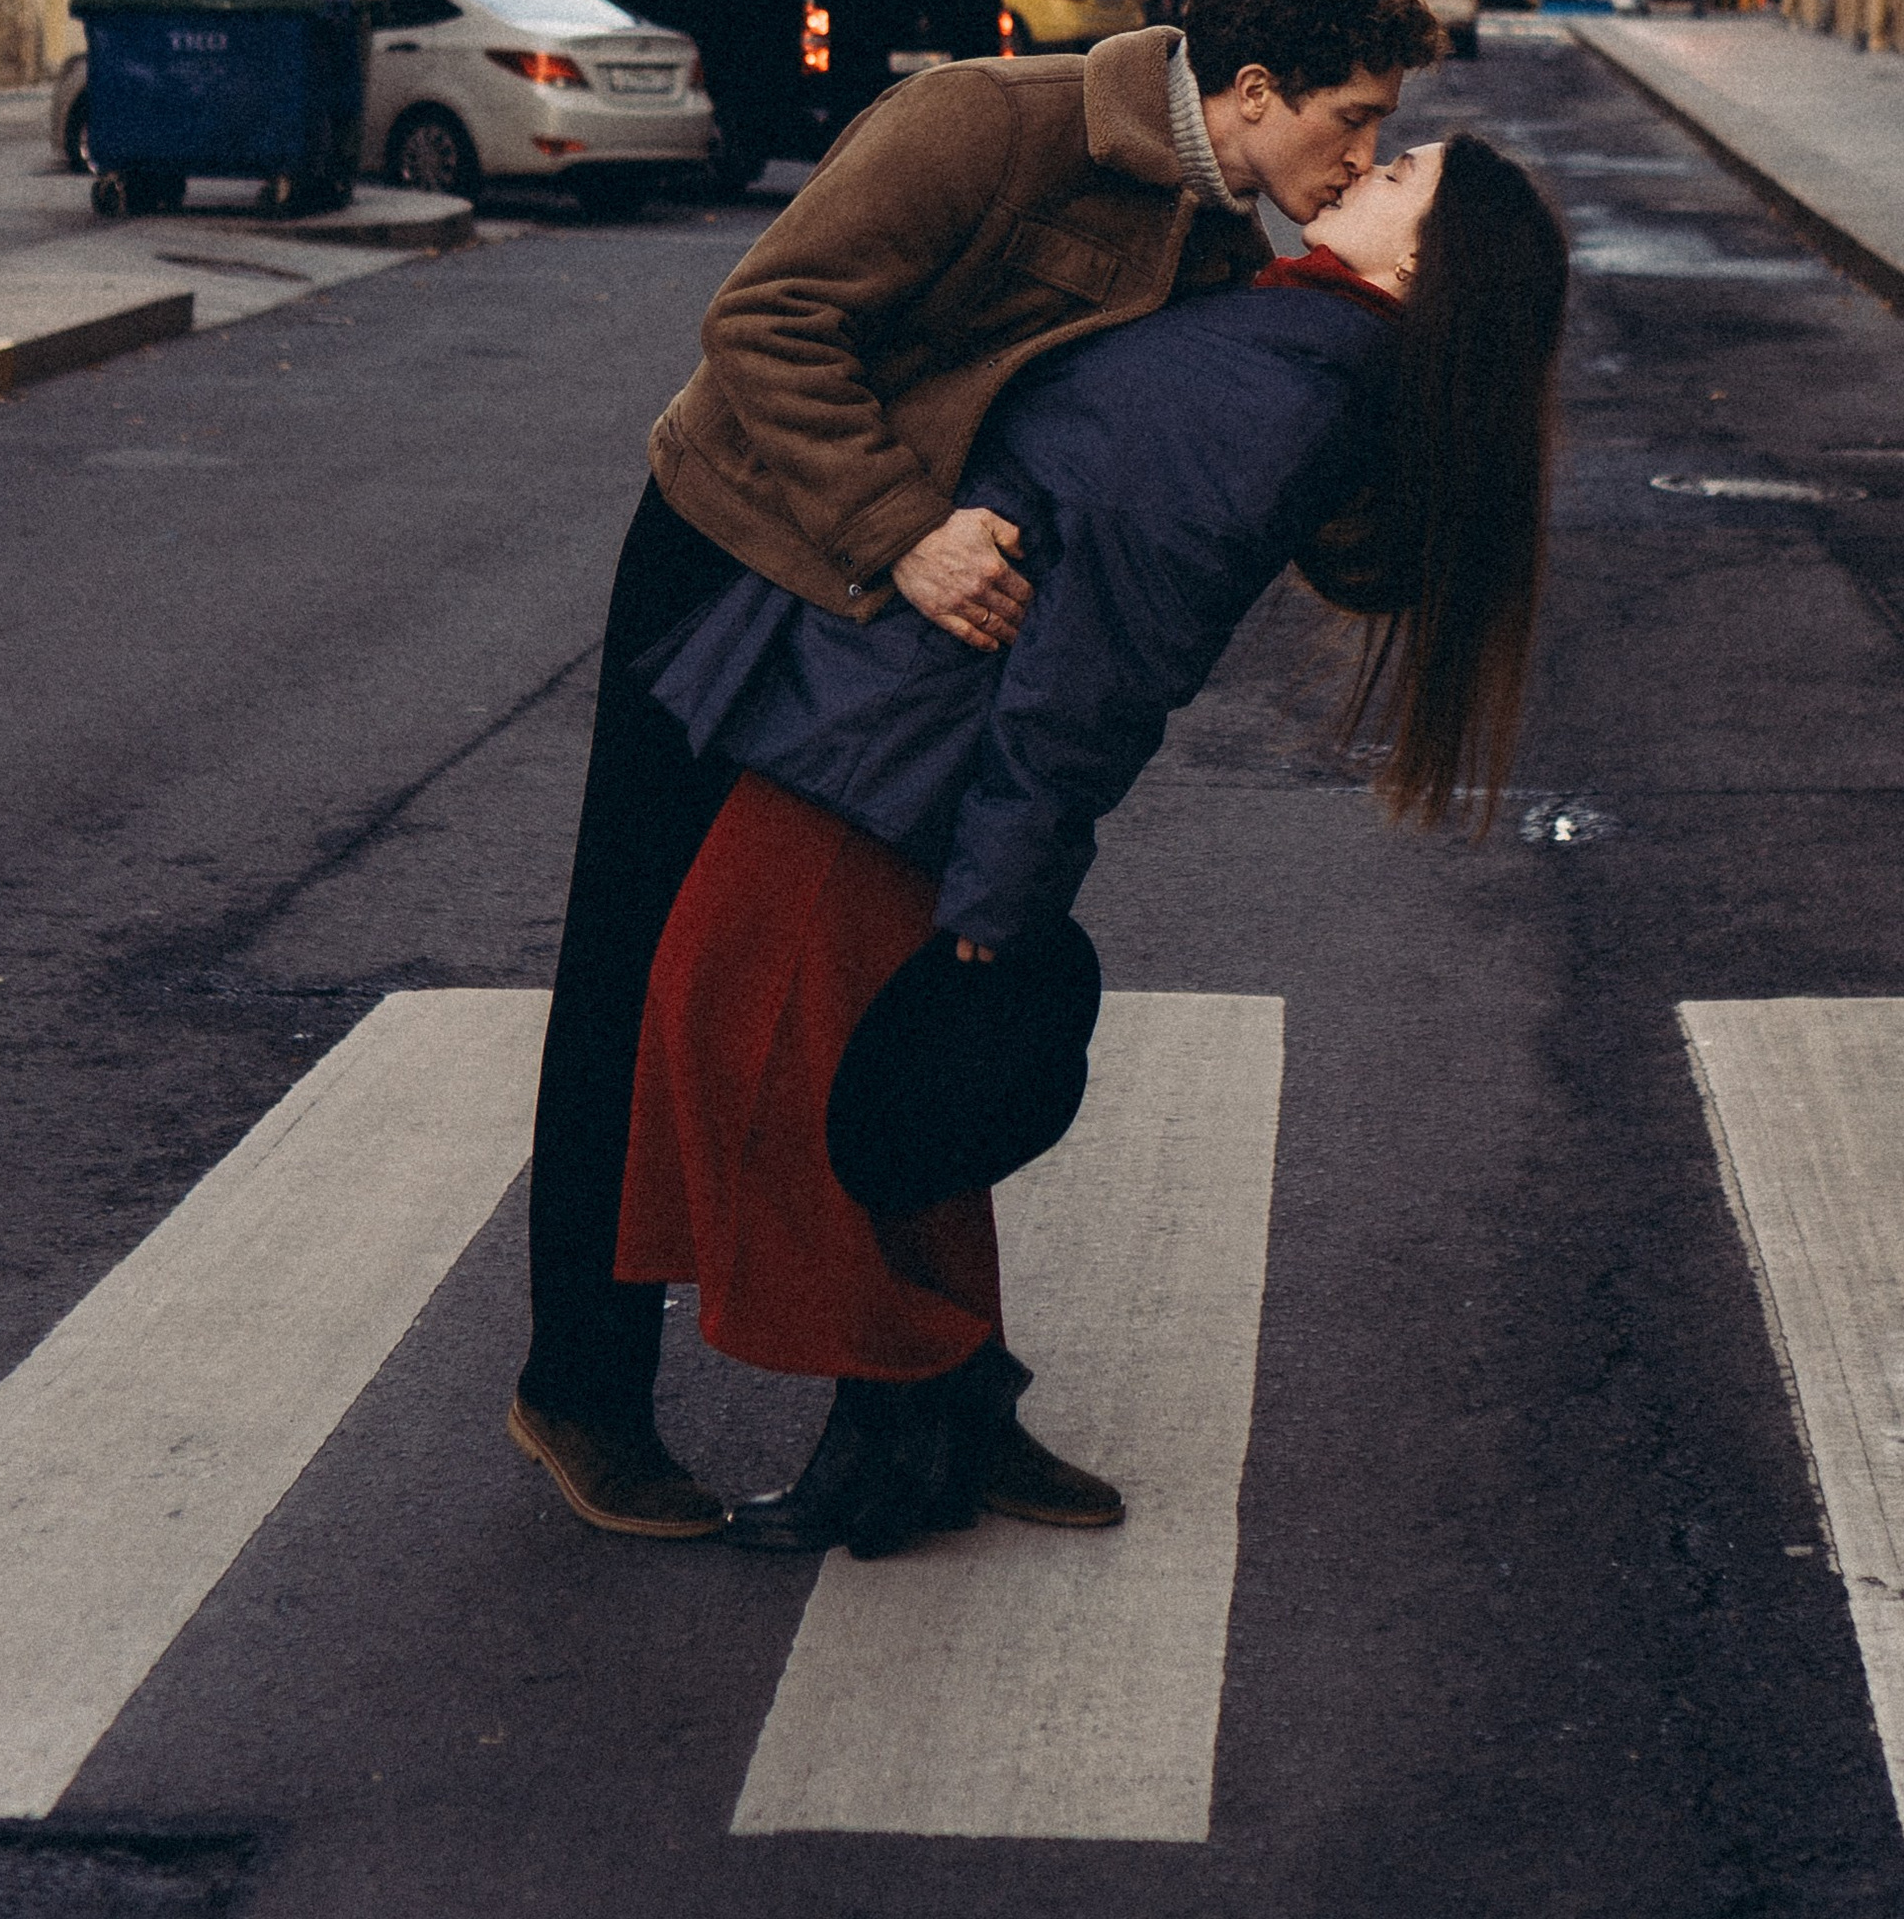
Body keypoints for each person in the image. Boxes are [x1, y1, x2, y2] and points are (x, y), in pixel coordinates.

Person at [510, 0, 1444, 1542]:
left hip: (898, 638)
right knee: (635, 970)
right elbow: (767, 324)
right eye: (1350, 119)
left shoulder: (1224, 235)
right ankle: (579, 1395)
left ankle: (949, 1395)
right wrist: (906, 531)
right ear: (1252, 89)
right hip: (739, 555)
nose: (1360, 154)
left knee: (908, 998)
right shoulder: (988, 124)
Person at [614, 130, 1572, 1561]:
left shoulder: (1285, 394)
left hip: (900, 747)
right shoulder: (1299, 333)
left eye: (1404, 167)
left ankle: (903, 1404)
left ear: (1423, 261)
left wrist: (999, 895)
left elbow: (1100, 664)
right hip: (895, 720)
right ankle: (962, 1397)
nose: (1371, 159)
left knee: (742, 1052)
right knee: (863, 1079)